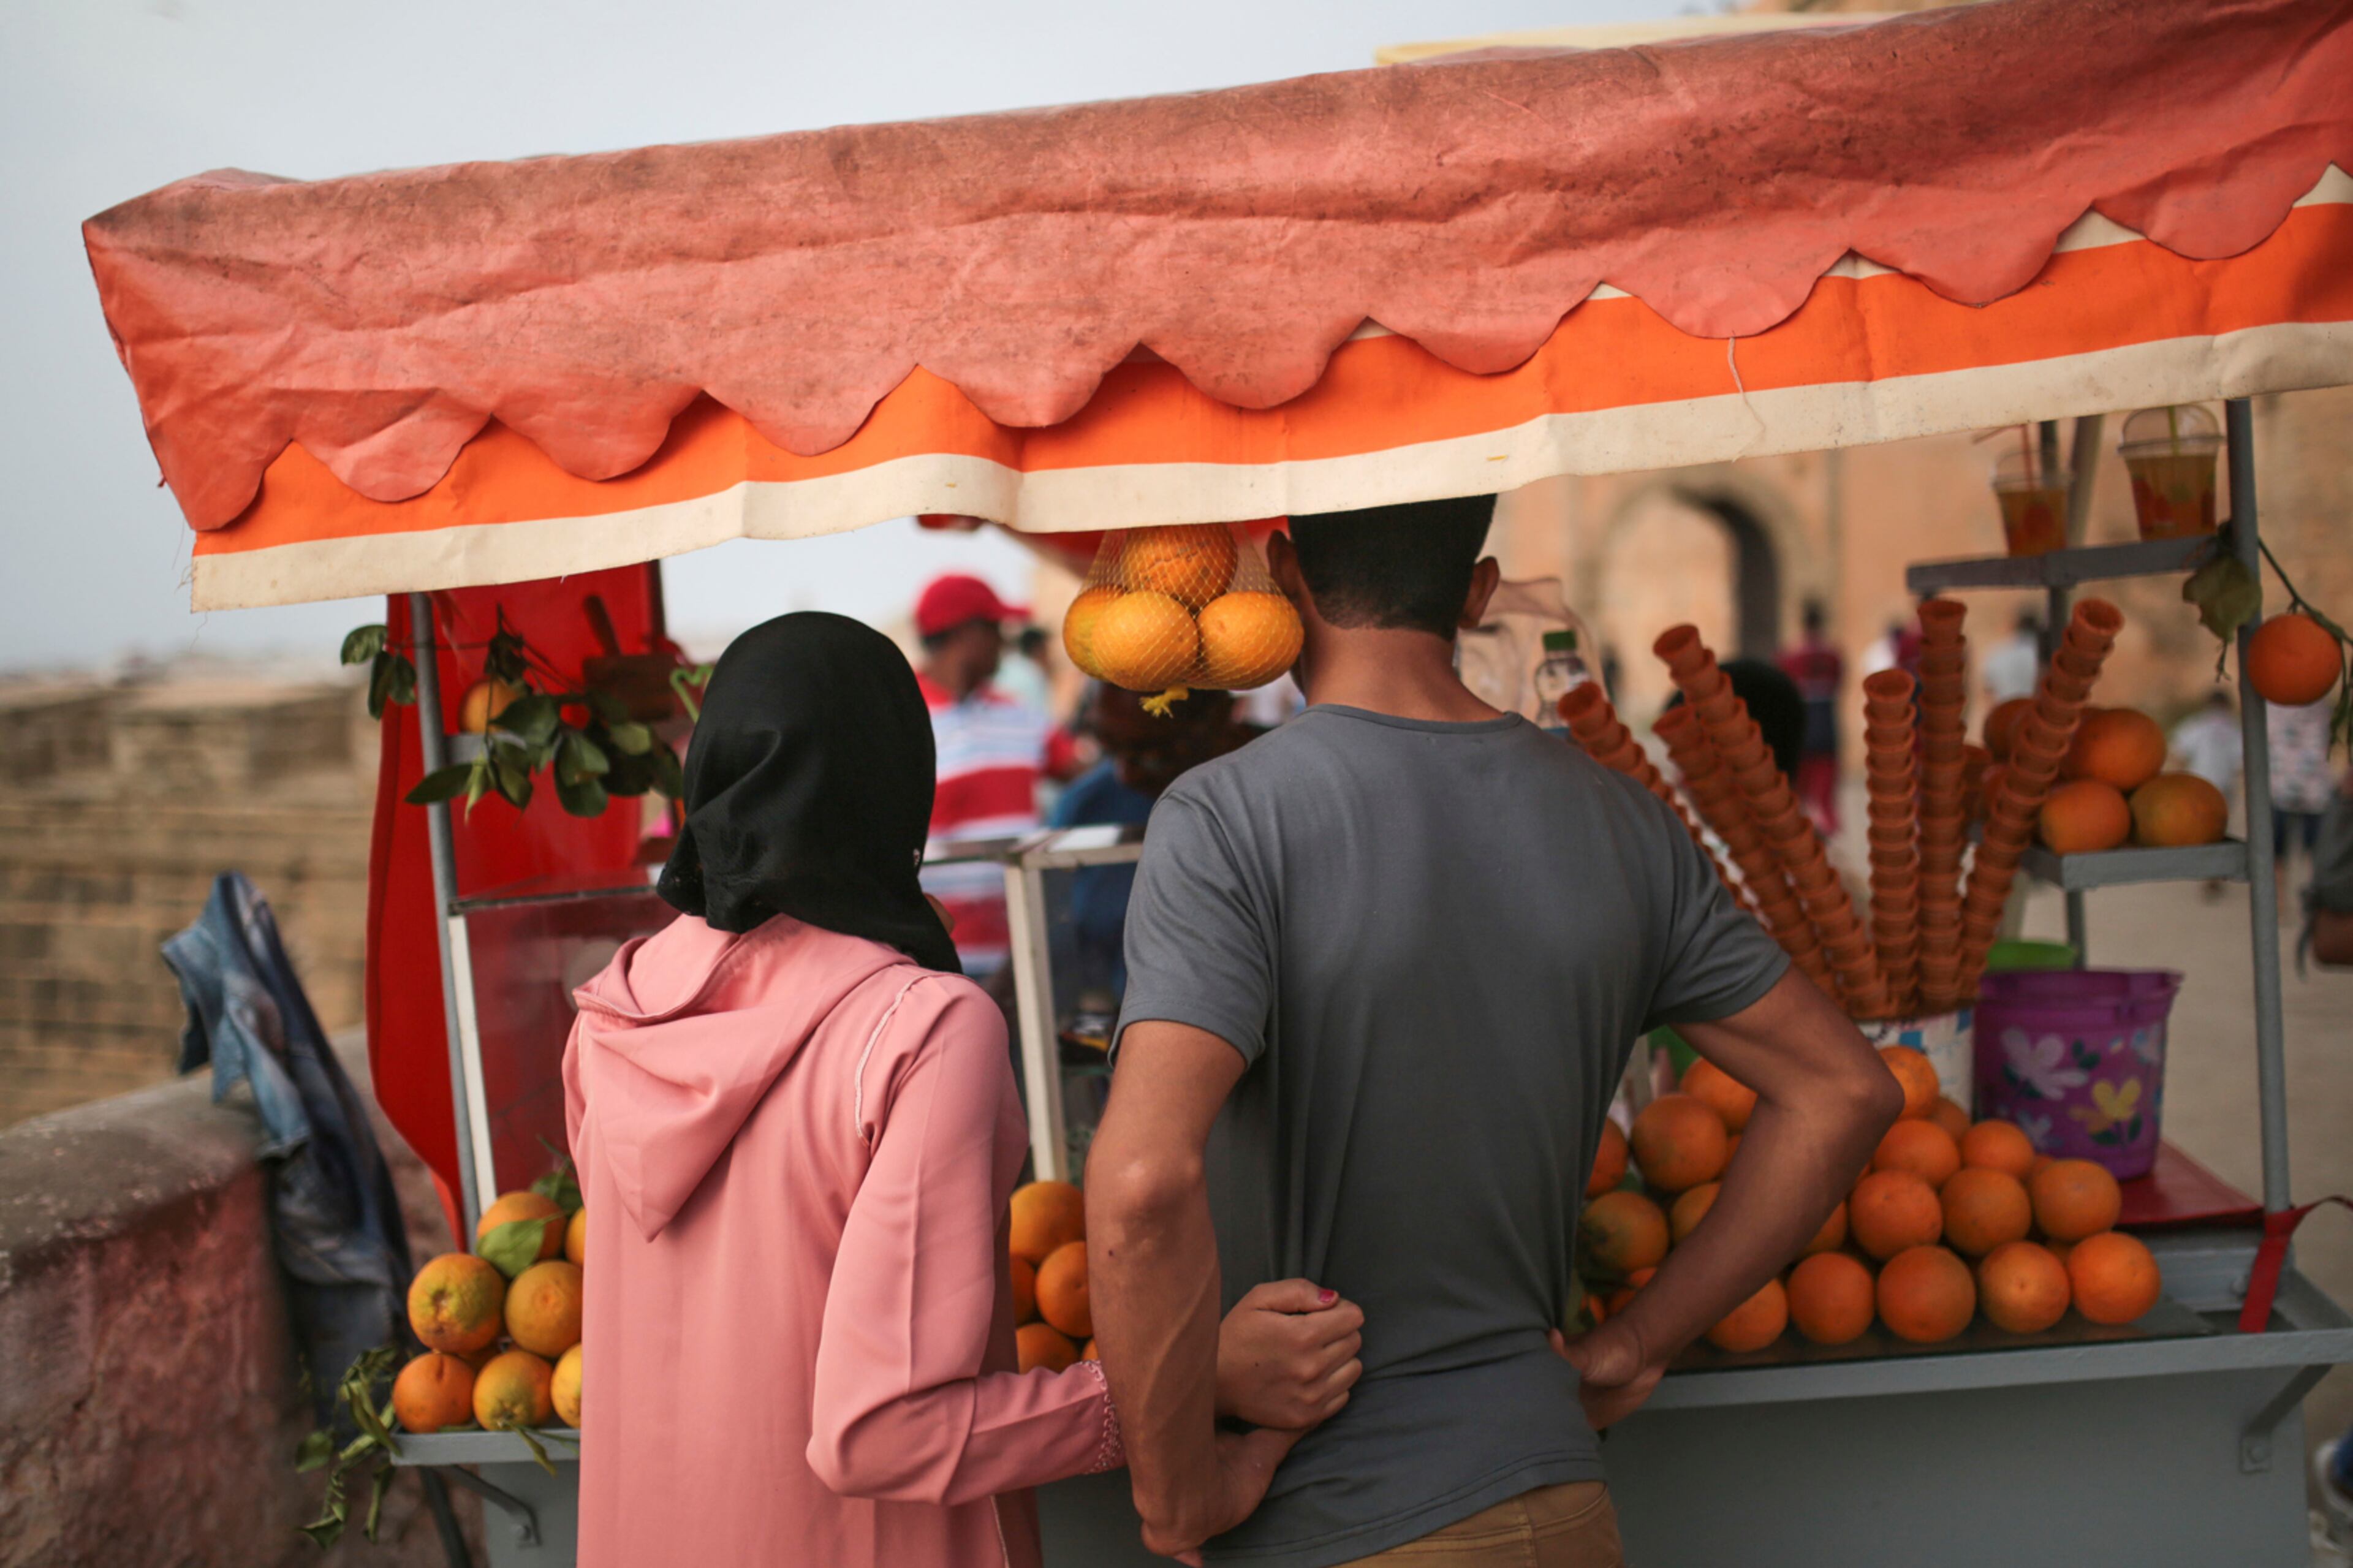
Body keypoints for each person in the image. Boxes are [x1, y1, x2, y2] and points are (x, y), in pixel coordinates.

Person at [1086, 499, 1903, 1566]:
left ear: (1283, 572)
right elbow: (1849, 1088)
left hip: (1336, 1518)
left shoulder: (1227, 819)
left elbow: (1143, 1178)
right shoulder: (1622, 819)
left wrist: (1178, 1490)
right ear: (1477, 592)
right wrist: (1636, 1340)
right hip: (1560, 1493)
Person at [563, 614, 1362, 1568]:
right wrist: (1171, 1385)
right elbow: (880, 1428)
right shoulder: (920, 1026)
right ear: (894, 785)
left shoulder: (610, 1017)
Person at [913, 574, 1082, 977]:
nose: (1006, 642)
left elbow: (1081, 772)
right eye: (995, 629)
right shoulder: (897, 719)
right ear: (967, 634)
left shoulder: (1019, 714)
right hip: (934, 964)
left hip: (1026, 957)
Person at [1049, 684, 1258, 993]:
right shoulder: (1087, 806)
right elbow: (1047, 935)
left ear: (1218, 719)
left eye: (1152, 752)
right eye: (1110, 747)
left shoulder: (1271, 786)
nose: (1126, 775)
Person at [1777, 600, 1845, 835]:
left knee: (1798, 794)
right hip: (1826, 728)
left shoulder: (1789, 656)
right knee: (1826, 796)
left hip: (1800, 729)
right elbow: (1838, 683)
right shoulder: (1833, 655)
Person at [2268, 696, 2335, 896]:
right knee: (2283, 854)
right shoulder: (2273, 699)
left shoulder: (2272, 701)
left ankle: (2304, 902)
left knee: (2309, 853)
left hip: (2306, 789)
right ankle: (2281, 903)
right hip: (2291, 788)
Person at [1980, 607, 2044, 705]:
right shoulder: (2042, 655)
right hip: (2035, 713)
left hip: (2004, 713)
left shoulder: (1997, 653)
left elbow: (1988, 692)